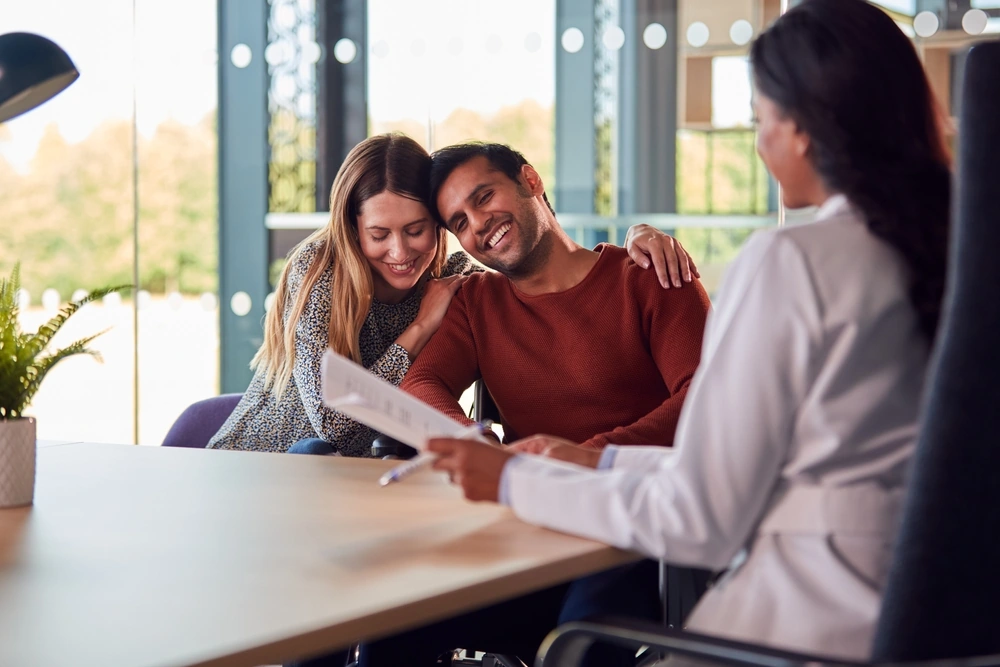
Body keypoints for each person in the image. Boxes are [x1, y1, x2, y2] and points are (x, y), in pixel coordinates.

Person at [427, 0, 951, 661]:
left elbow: (699, 517)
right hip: (943, 622)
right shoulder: (957, 248)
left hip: (806, 625)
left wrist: (510, 478)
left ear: (804, 129)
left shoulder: (793, 261)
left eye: (761, 119)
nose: (759, 143)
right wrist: (602, 457)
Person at [355, 144, 712, 667]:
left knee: (581, 645)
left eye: (484, 197)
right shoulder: (476, 303)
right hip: (527, 539)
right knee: (389, 624)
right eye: (460, 221)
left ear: (531, 180)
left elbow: (706, 404)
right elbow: (422, 381)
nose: (479, 224)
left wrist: (583, 458)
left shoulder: (650, 275)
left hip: (634, 536)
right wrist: (471, 442)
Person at [207, 133, 697, 457]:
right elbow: (355, 415)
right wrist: (474, 438)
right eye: (379, 235)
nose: (400, 251)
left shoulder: (460, 277)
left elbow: (710, 399)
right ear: (354, 231)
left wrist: (642, 232)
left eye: (420, 229)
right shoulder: (322, 276)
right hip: (269, 463)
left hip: (620, 500)